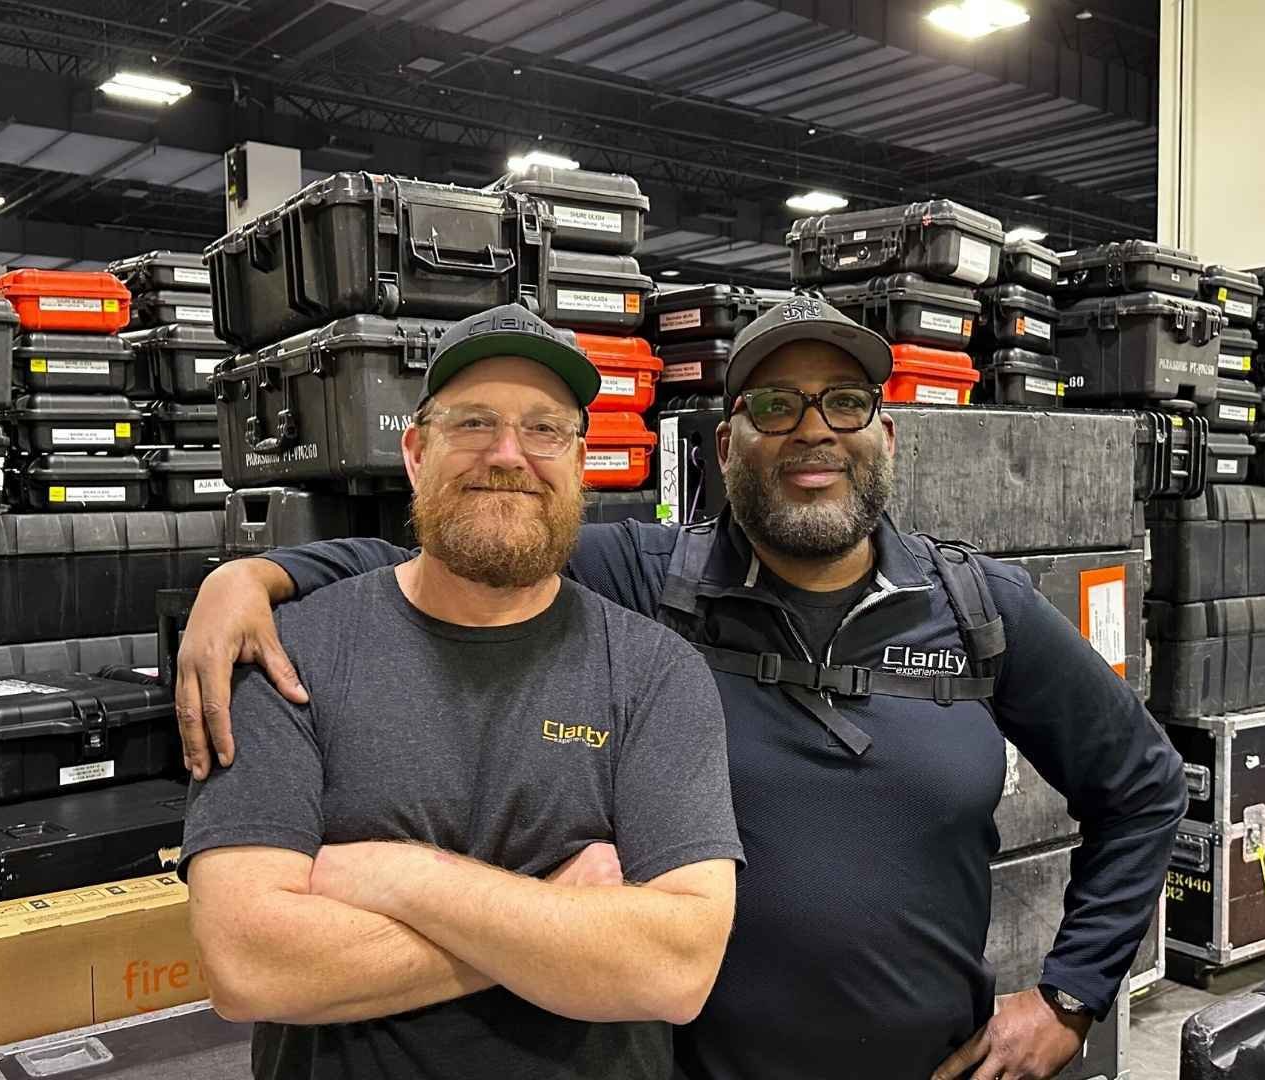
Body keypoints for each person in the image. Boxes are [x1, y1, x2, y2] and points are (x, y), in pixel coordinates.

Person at [180, 296, 1187, 1080]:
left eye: (845, 404)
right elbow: (482, 542)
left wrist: (1071, 995)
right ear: (726, 444)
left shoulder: (981, 608)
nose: (812, 433)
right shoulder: (654, 587)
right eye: (773, 407)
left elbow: (1143, 787)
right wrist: (256, 577)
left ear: (888, 438)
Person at [179, 304, 744, 1080]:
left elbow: (674, 971)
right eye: (473, 423)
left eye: (545, 429)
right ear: (415, 453)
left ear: (581, 462)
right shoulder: (286, 654)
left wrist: (404, 878)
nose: (509, 455)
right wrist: (556, 913)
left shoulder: (655, 671)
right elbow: (249, 965)